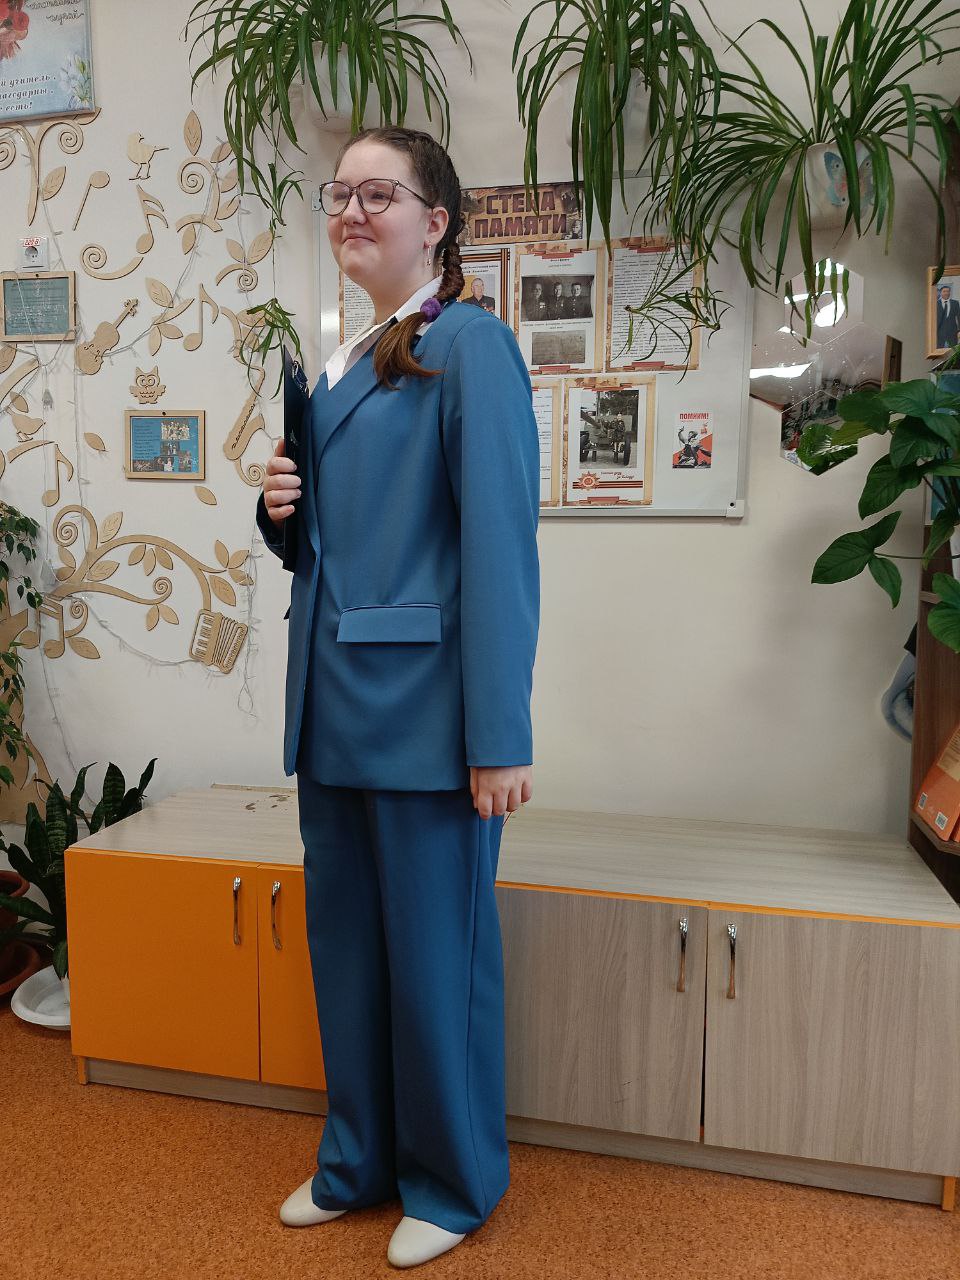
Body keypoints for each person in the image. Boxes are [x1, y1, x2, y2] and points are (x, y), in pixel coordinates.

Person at [255, 126, 540, 1269]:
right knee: (350, 961)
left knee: (435, 968)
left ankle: (454, 1181)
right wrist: (279, 514)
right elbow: (334, 548)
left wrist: (499, 735)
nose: (354, 210)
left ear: (437, 221)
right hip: (331, 711)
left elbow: (499, 552)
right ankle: (357, 1161)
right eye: (341, 193)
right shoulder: (343, 360)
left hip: (427, 720)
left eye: (382, 193)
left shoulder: (471, 346)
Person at [936, 283, 960, 350]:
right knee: (939, 351)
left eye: (948, 291)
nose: (946, 293)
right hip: (939, 333)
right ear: (940, 293)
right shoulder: (935, 304)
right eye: (944, 291)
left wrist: (959, 331)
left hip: (952, 332)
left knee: (953, 351)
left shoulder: (955, 303)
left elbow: (959, 317)